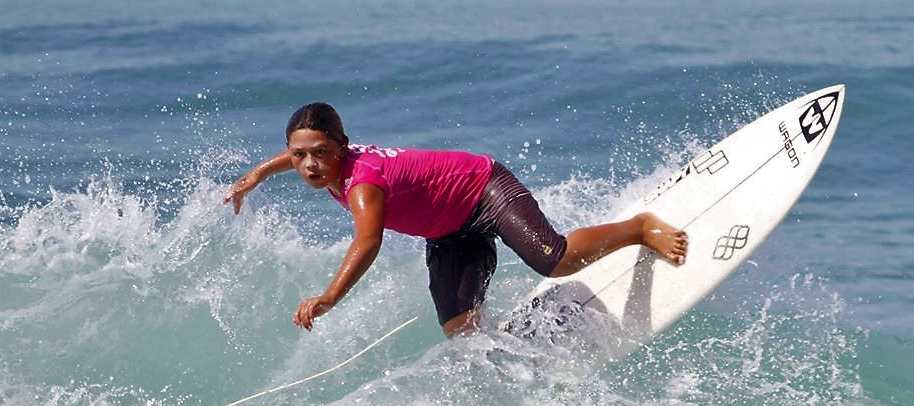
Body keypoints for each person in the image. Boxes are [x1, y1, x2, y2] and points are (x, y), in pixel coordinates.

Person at [224, 102, 688, 337]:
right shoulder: (320, 160)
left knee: (553, 259)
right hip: (448, 230)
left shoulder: (362, 183)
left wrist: (328, 298)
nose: (309, 166)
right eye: (300, 155)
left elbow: (367, 243)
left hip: (482, 189)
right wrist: (257, 176)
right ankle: (526, 343)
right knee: (460, 330)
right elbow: (293, 154)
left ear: (342, 147)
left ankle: (639, 228)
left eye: (321, 154)